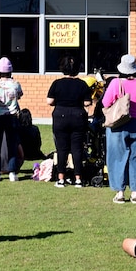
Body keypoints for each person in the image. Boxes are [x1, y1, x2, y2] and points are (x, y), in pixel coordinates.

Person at [102, 54, 136, 204]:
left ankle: (120, 192)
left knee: (117, 157)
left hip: (117, 124)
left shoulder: (116, 83)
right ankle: (135, 192)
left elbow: (105, 102)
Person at [46, 55, 91, 188]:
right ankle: (78, 178)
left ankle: (61, 178)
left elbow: (49, 101)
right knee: (77, 149)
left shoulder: (57, 83)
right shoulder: (82, 84)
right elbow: (87, 102)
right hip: (78, 116)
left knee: (61, 149)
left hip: (60, 116)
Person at [0, 57, 23, 182]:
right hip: (12, 116)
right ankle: (12, 172)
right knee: (12, 144)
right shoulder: (15, 84)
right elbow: (19, 95)